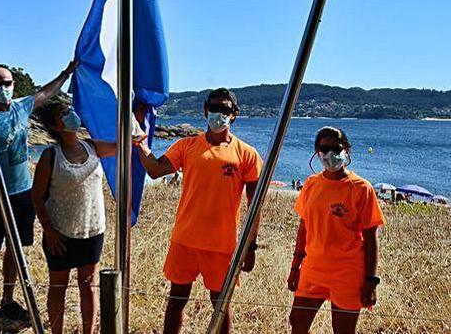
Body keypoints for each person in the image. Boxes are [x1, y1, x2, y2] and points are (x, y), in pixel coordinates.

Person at [135, 88, 262, 334]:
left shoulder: (247, 154)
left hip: (222, 245)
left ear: (234, 115)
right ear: (205, 110)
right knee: (176, 301)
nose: (218, 113)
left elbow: (254, 205)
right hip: (185, 240)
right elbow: (155, 170)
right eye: (214, 107)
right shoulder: (187, 145)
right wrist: (139, 137)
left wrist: (251, 246)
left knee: (221, 306)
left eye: (225, 109)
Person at [0, 61, 77, 326]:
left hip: (23, 193)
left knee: (15, 249)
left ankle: (7, 300)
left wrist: (66, 73)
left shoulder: (22, 107)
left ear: (13, 86)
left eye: (7, 83)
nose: (3, 87)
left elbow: (46, 93)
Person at [287, 126, 385, 334]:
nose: (330, 154)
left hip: (348, 273)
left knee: (343, 330)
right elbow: (304, 228)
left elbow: (371, 238)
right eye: (324, 149)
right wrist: (295, 268)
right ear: (317, 152)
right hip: (312, 270)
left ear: (347, 150)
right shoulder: (311, 184)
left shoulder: (361, 188)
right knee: (297, 322)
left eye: (336, 148)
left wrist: (371, 281)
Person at [31, 102, 116, 333]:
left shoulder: (91, 147)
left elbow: (122, 146)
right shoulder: (51, 156)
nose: (71, 115)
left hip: (92, 230)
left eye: (70, 110)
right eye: (64, 114)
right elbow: (37, 196)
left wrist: (135, 118)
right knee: (58, 286)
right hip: (60, 234)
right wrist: (48, 230)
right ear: (54, 126)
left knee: (89, 286)